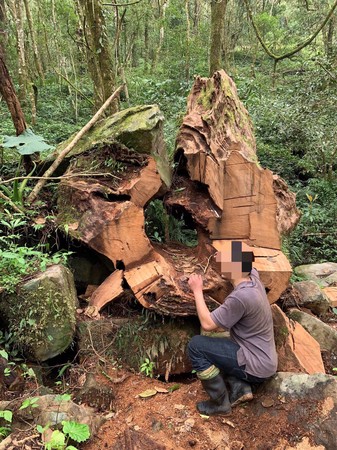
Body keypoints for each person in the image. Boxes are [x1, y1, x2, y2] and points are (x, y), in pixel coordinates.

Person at [187, 241, 277, 416]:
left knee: (196, 345)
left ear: (235, 267)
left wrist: (197, 290)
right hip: (263, 358)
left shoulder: (241, 297)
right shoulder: (253, 278)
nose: (220, 262)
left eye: (225, 260)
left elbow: (207, 324)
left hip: (255, 365)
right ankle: (240, 388)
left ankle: (220, 403)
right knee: (219, 342)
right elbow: (244, 257)